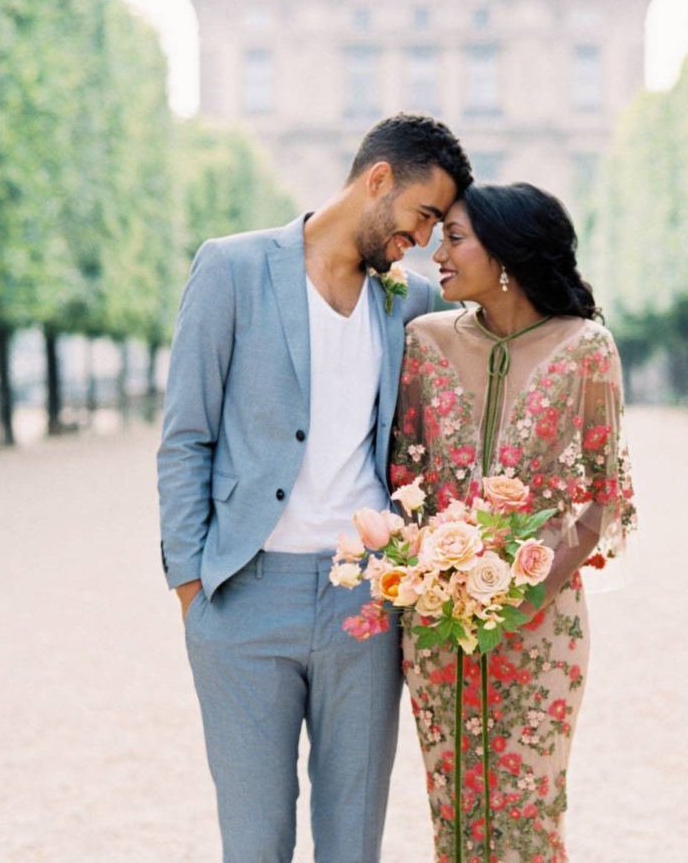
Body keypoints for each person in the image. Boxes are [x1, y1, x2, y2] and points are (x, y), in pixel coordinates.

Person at [157, 113, 472, 863]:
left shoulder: (412, 302)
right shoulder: (230, 268)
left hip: (365, 601)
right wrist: (193, 589)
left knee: (351, 844)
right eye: (422, 216)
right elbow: (185, 434)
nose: (423, 240)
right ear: (377, 180)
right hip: (242, 599)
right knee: (255, 843)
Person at [390, 182, 638, 862]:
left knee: (530, 812)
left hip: (542, 625)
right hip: (438, 626)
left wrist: (527, 588)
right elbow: (402, 484)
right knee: (454, 810)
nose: (437, 251)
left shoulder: (587, 347)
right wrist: (433, 573)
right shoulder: (423, 342)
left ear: (504, 251)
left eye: (456, 237)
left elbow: (606, 499)